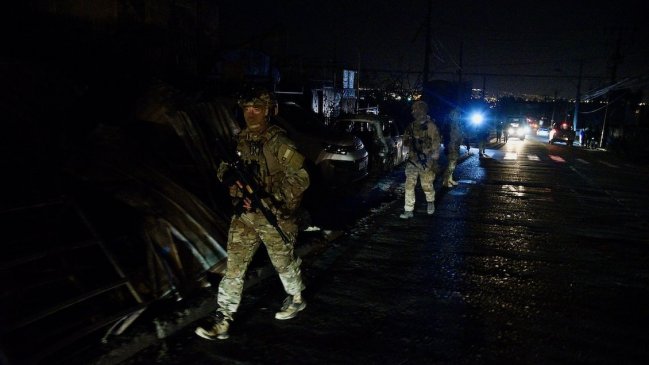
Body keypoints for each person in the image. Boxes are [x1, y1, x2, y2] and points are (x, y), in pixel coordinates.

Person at [195, 87, 310, 340]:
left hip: (274, 216)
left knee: (283, 263)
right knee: (234, 269)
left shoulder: (279, 142)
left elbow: (301, 180)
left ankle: (296, 296)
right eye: (247, 108)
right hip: (245, 216)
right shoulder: (241, 140)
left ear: (269, 111)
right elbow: (224, 167)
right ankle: (223, 317)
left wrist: (272, 199)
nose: (251, 113)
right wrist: (228, 177)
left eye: (257, 108)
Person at [399, 100, 442, 218]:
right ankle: (408, 210)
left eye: (416, 110)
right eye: (413, 110)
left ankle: (430, 202)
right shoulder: (411, 126)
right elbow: (405, 141)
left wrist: (434, 154)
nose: (414, 112)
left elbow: (436, 142)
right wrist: (408, 142)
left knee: (427, 185)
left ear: (422, 111)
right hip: (412, 160)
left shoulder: (431, 126)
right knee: (409, 185)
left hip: (426, 161)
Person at [442, 107, 462, 188]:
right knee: (451, 165)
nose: (457, 116)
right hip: (451, 147)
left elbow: (460, 135)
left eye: (458, 115)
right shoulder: (449, 125)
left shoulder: (457, 124)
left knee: (453, 165)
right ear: (452, 115)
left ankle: (450, 179)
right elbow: (447, 137)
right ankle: (445, 181)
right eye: (455, 115)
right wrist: (449, 146)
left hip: (456, 147)